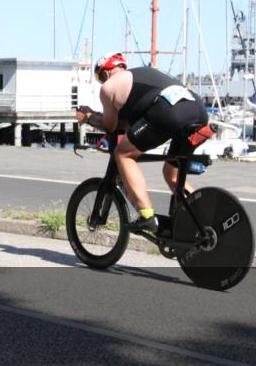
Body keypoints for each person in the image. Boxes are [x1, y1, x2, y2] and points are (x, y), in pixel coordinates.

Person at [75, 53, 208, 233]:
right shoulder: (142, 77)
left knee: (123, 154)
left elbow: (110, 125)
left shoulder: (109, 87)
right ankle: (201, 219)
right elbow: (134, 122)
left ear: (104, 73)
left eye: (100, 77)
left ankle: (147, 217)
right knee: (172, 174)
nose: (101, 82)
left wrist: (89, 117)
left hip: (170, 111)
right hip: (198, 111)